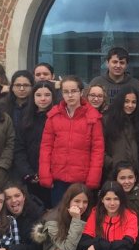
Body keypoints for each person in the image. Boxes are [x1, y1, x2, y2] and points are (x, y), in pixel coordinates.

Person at [38, 76, 104, 207]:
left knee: (79, 219)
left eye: (73, 91)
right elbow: (46, 147)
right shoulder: (53, 116)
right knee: (58, 217)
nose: (70, 95)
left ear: (81, 92)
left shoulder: (93, 117)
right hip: (58, 179)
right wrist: (45, 174)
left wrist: (93, 179)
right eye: (66, 92)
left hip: (82, 180)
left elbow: (98, 150)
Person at [12, 80, 55, 205]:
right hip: (29, 176)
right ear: (33, 97)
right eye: (38, 95)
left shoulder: (57, 118)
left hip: (52, 176)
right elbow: (19, 148)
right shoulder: (25, 118)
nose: (43, 99)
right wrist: (28, 173)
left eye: (47, 95)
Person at [102, 89, 139, 177]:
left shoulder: (137, 121)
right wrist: (112, 163)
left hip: (133, 173)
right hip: (113, 172)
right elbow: (100, 149)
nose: (130, 105)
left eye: (133, 102)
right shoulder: (107, 120)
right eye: (126, 101)